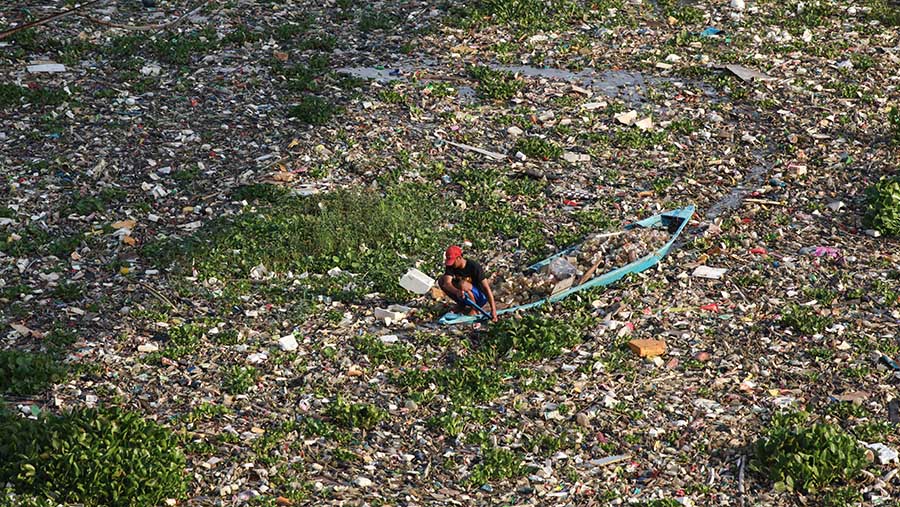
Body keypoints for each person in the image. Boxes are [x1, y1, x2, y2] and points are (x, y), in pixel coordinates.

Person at [439, 245, 498, 322]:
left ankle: (475, 309)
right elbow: (447, 283)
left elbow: (486, 288)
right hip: (465, 294)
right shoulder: (451, 266)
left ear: (459, 258)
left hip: (479, 296)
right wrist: (457, 292)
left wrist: (493, 310)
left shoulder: (474, 266)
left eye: (453, 262)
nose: (451, 264)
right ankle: (461, 304)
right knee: (441, 281)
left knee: (462, 284)